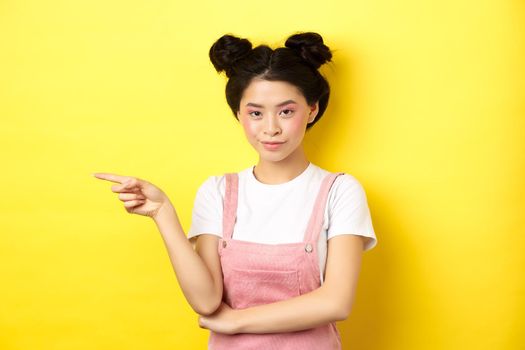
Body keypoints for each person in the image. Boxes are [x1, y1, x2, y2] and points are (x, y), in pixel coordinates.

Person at [93, 31, 377, 349]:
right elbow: (206, 301)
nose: (271, 127)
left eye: (286, 111)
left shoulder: (340, 191)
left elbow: (335, 303)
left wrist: (236, 321)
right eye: (256, 113)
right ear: (238, 114)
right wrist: (162, 213)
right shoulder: (218, 191)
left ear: (311, 110)